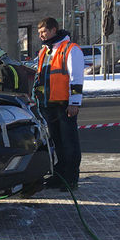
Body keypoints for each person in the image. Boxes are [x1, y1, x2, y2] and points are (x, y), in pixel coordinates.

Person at [35, 17, 84, 191]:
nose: (41, 35)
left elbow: (76, 78)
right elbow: (41, 80)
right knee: (56, 143)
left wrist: (74, 102)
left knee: (69, 143)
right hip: (48, 106)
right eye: (39, 33)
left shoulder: (70, 49)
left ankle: (71, 179)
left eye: (44, 32)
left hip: (64, 105)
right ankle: (60, 175)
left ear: (54, 30)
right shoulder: (45, 52)